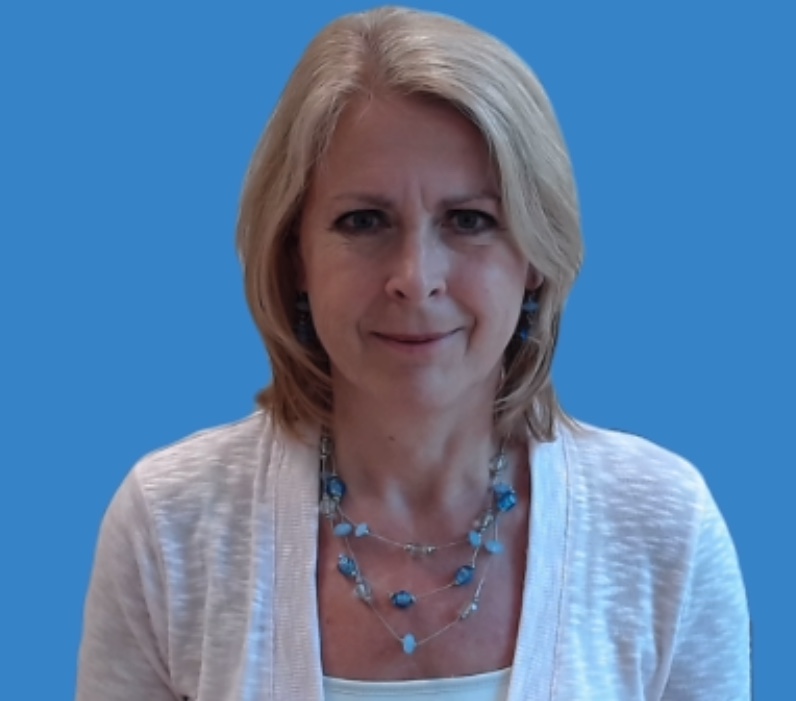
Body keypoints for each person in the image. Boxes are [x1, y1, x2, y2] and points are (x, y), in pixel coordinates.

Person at [76, 6, 750, 700]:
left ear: (536, 258)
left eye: (470, 221)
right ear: (294, 256)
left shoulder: (663, 527)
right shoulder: (170, 525)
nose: (415, 277)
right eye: (363, 221)